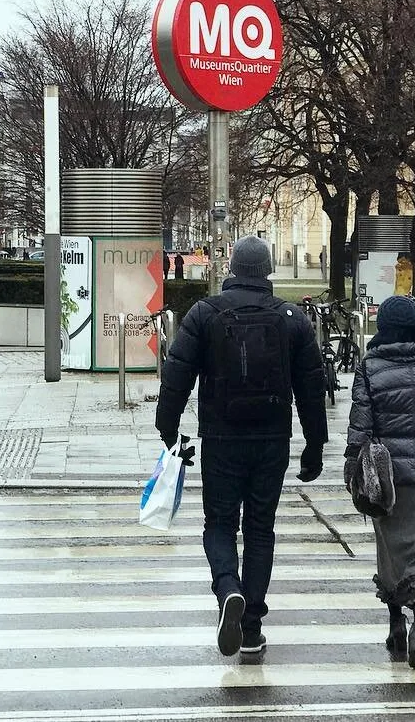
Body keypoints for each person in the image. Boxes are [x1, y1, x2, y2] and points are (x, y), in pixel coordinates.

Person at [155, 234, 328, 662]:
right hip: (272, 441)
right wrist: (315, 446)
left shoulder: (205, 313)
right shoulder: (293, 319)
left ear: (232, 268)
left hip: (221, 439)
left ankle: (228, 590)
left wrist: (169, 428)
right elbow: (311, 387)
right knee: (260, 530)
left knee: (218, 525)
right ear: (267, 271)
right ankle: (251, 629)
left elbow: (177, 375)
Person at [345, 295, 415, 670]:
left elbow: (360, 425)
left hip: (386, 475)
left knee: (390, 550)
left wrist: (351, 468)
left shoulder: (370, 368)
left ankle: (396, 624)